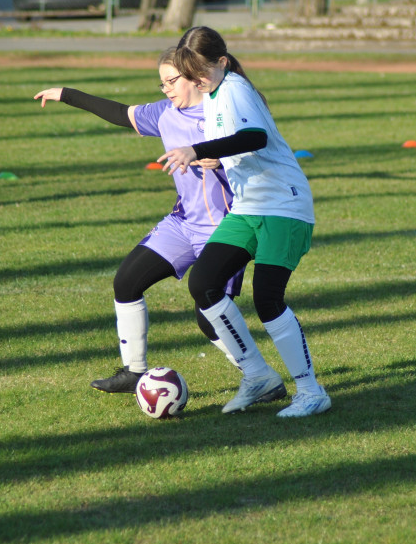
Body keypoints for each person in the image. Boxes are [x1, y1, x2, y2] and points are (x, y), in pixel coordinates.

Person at [34, 48, 287, 402]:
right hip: (183, 222)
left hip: (226, 228)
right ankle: (134, 370)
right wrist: (67, 94)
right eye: (162, 83)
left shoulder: (222, 112)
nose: (166, 88)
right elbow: (121, 113)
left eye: (172, 81)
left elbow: (259, 149)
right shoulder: (164, 113)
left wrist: (223, 158)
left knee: (207, 315)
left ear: (195, 77)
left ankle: (261, 378)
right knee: (127, 281)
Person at [159, 26, 331, 418]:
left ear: (221, 61)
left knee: (267, 300)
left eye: (201, 72)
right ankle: (257, 376)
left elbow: (254, 137)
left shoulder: (235, 87)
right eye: (191, 74)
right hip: (248, 207)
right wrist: (218, 157)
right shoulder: (213, 92)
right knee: (204, 284)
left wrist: (197, 149)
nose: (197, 81)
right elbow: (239, 144)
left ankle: (311, 391)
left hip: (283, 206)